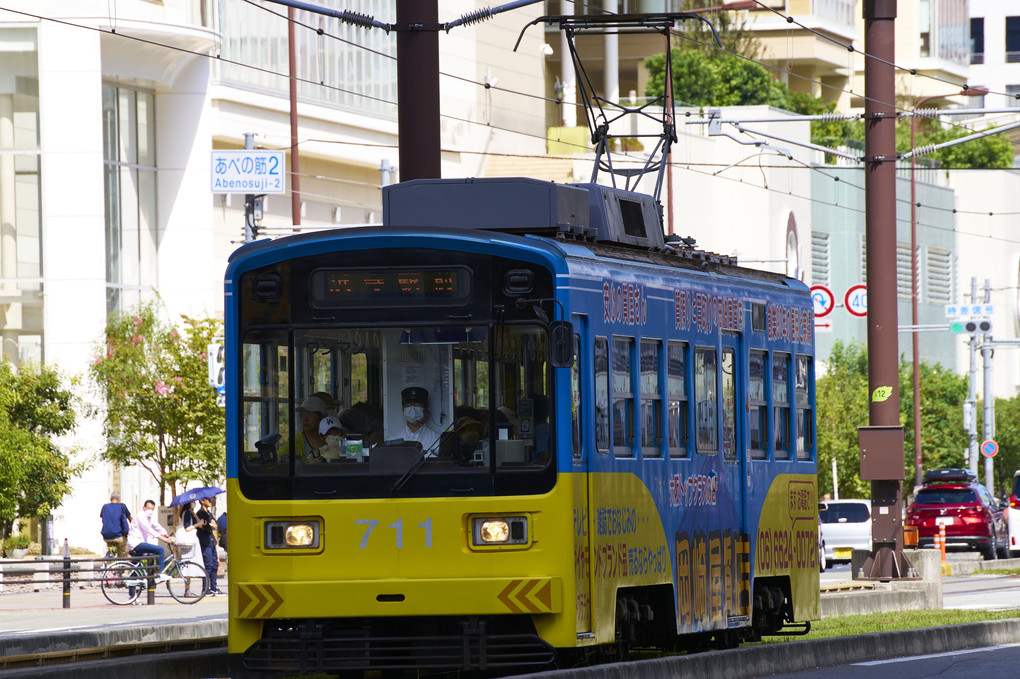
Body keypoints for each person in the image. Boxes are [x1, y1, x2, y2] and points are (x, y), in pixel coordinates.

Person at [126, 500, 173, 584]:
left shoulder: (148, 518)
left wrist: (166, 534)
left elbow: (156, 525)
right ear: (144, 508)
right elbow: (149, 530)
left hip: (139, 542)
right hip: (136, 543)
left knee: (135, 569)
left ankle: (132, 595)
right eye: (149, 508)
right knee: (160, 550)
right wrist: (164, 539)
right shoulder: (140, 516)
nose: (150, 511)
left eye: (152, 509)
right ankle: (159, 574)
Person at [395, 386, 441, 455]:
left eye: (417, 405)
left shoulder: (437, 441)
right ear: (403, 410)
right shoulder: (393, 441)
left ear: (425, 411)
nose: (412, 409)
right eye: (408, 405)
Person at [196, 497, 223, 596]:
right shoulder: (200, 513)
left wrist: (212, 525)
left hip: (211, 541)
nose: (211, 502)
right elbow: (206, 527)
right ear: (202, 501)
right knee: (207, 564)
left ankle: (214, 587)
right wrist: (210, 525)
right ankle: (205, 588)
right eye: (208, 500)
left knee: (215, 564)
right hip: (204, 541)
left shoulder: (209, 513)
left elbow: (216, 524)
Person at [296, 395, 331, 462]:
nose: (305, 419)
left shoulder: (334, 437)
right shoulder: (297, 440)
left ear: (322, 417)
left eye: (309, 415)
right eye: (302, 415)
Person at [99, 492, 132, 557]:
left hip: (107, 536)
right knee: (123, 553)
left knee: (111, 550)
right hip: (119, 536)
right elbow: (130, 518)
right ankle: (121, 565)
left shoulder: (105, 507)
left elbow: (103, 518)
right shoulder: (122, 506)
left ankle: (109, 560)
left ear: (110, 498)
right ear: (119, 499)